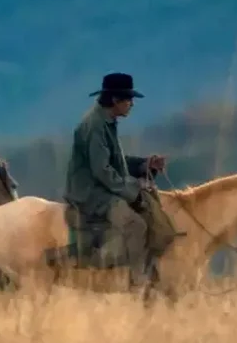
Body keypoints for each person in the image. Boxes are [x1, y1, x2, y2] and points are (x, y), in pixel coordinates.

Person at [63, 72, 182, 280]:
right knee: (135, 225)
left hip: (102, 186)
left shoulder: (105, 120)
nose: (132, 104)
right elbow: (102, 171)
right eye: (128, 99)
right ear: (116, 100)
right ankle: (137, 280)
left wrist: (145, 164)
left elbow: (116, 160)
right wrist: (133, 191)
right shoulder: (95, 126)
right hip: (91, 192)